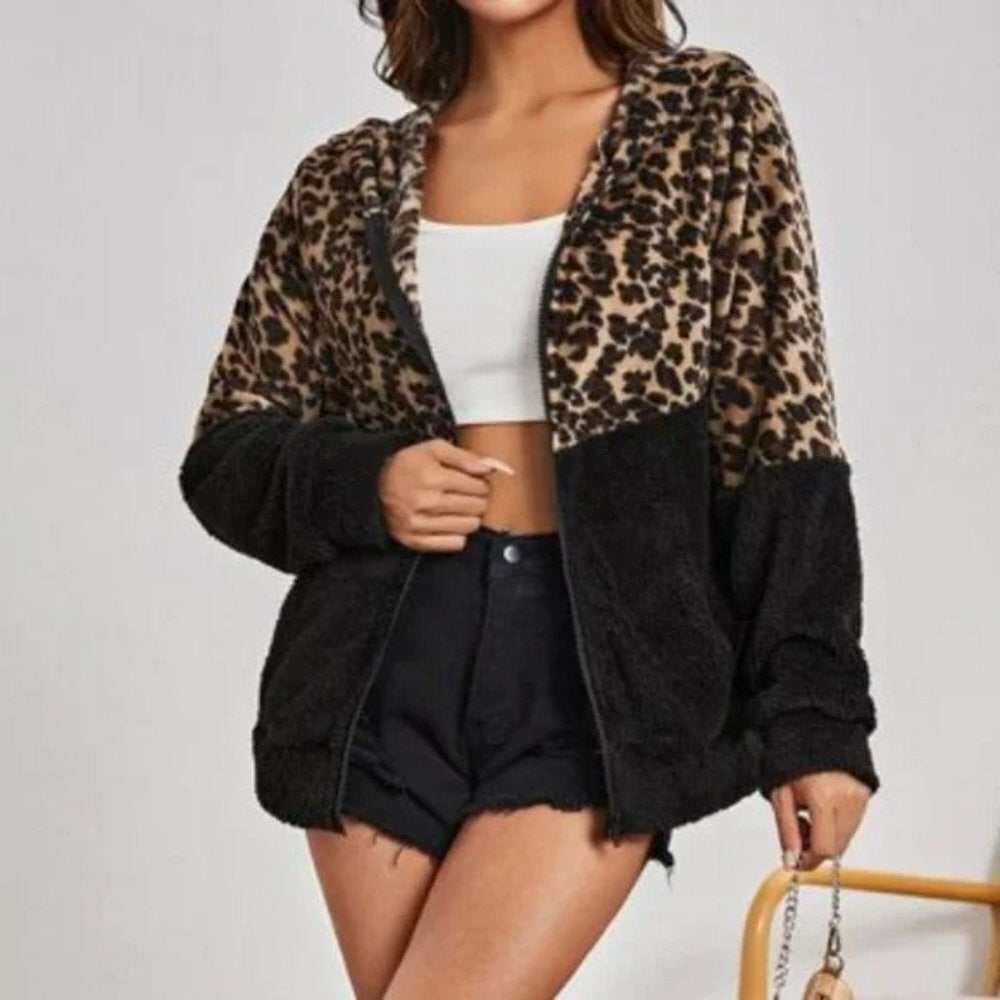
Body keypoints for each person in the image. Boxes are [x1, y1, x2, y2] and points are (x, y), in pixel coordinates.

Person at [178, 1, 881, 996]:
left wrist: (817, 715)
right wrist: (365, 480)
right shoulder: (344, 182)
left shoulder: (706, 120)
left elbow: (779, 428)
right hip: (379, 664)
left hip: (597, 672)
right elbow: (227, 447)